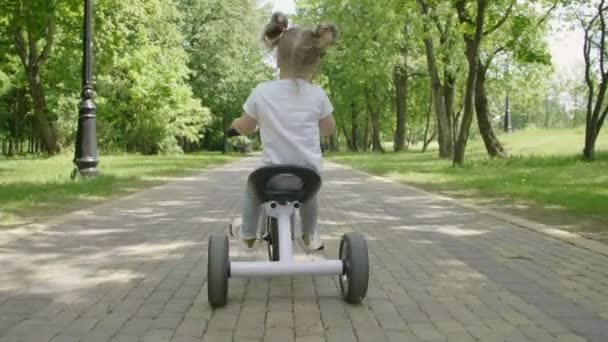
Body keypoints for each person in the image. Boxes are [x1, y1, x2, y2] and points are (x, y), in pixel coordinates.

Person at [228, 12, 337, 251]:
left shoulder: (262, 92)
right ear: (315, 62)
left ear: (277, 59)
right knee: (309, 196)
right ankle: (309, 234)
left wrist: (235, 126)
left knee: (252, 191)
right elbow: (329, 128)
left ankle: (247, 235)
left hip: (271, 175)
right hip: (307, 176)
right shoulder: (317, 94)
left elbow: (246, 125)